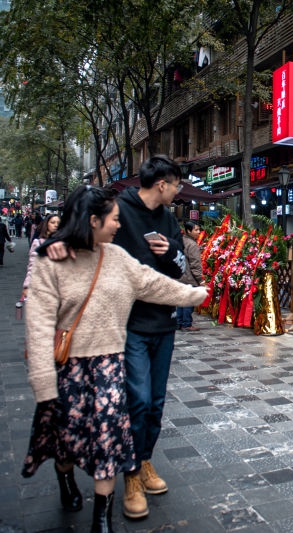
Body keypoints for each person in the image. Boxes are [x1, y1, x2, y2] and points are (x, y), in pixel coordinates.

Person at [23, 186, 207, 533]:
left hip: (108, 365)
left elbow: (151, 282)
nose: (119, 226)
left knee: (108, 438)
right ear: (93, 221)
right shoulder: (54, 260)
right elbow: (37, 327)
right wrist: (44, 385)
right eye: (113, 220)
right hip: (67, 369)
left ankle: (102, 517)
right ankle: (66, 481)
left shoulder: (117, 257)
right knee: (65, 440)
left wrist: (194, 295)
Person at [46, 155, 188, 519]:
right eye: (177, 185)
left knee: (155, 403)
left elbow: (181, 264)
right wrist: (60, 245)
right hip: (126, 324)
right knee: (136, 401)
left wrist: (171, 251)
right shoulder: (119, 208)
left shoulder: (169, 218)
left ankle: (143, 461)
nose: (179, 191)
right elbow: (83, 230)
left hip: (163, 322)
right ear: (162, 184)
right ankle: (129, 475)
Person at [21, 214, 61, 300]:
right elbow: (32, 266)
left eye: (58, 223)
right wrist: (27, 286)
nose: (56, 225)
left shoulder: (64, 244)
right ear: (47, 224)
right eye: (53, 222)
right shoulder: (38, 243)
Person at [178, 221, 204, 332]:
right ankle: (187, 323)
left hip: (180, 276)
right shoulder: (192, 245)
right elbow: (195, 264)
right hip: (189, 278)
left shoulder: (181, 241)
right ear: (189, 231)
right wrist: (200, 279)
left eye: (199, 229)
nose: (198, 232)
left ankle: (179, 322)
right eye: (196, 230)